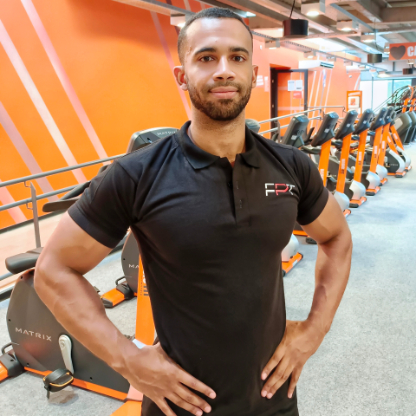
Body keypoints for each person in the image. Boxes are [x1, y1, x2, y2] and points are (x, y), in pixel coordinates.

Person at [34, 7, 352, 416]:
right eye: (206, 57)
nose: (224, 70)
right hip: (179, 403)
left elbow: (336, 237)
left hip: (275, 398)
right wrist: (128, 360)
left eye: (237, 57)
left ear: (253, 73)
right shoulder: (135, 175)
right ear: (181, 76)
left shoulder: (292, 166)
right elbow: (53, 270)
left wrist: (314, 330)